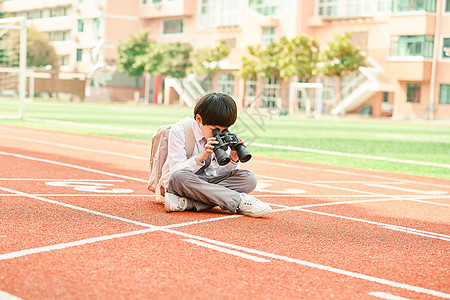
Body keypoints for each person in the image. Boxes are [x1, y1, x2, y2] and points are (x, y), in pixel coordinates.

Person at [161, 92, 272, 218]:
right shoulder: (180, 130)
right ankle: (239, 201)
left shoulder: (223, 133)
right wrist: (200, 158)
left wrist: (233, 160)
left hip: (208, 185)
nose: (219, 133)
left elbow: (219, 173)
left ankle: (189, 203)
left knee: (249, 178)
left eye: (224, 129)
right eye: (215, 128)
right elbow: (176, 171)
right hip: (186, 183)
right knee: (178, 176)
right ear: (199, 119)